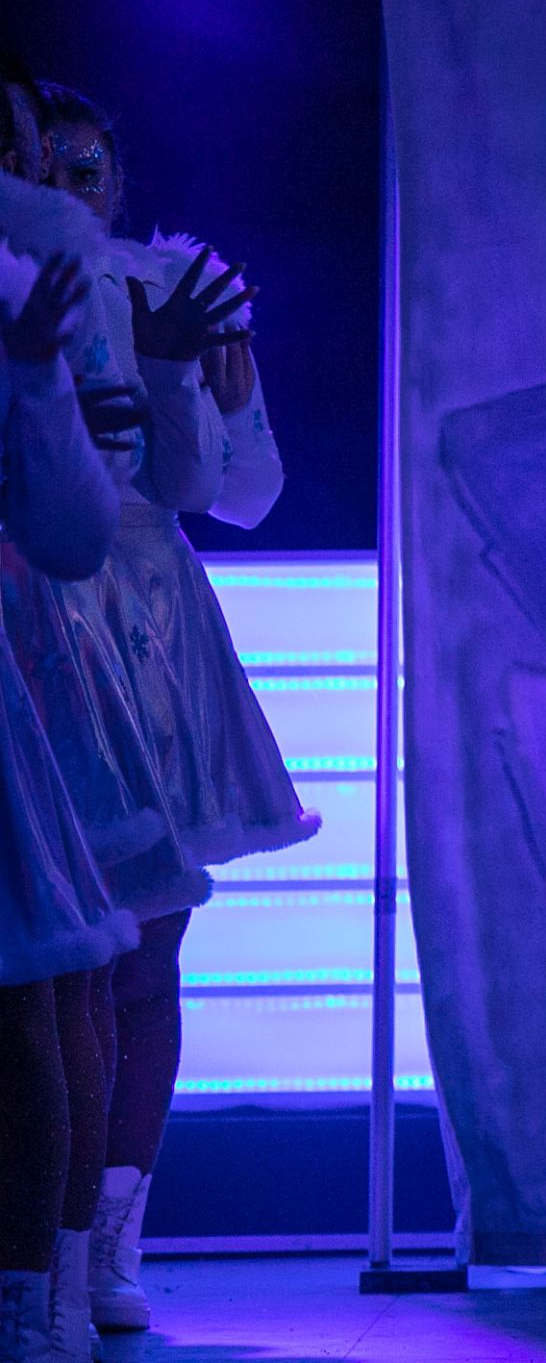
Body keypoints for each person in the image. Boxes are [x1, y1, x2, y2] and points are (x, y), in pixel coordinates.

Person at [29, 84, 303, 1337]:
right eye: (44, 163)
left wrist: (208, 380)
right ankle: (45, 1240)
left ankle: (108, 1235)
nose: (68, 185)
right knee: (60, 954)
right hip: (45, 599)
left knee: (147, 947)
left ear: (118, 181)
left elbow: (233, 490)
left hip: (147, 616)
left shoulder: (165, 284)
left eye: (89, 167)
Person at [0, 234, 138, 1363]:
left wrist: (39, 378)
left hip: (51, 637)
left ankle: (47, 1293)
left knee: (45, 988)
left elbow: (96, 517)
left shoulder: (35, 287)